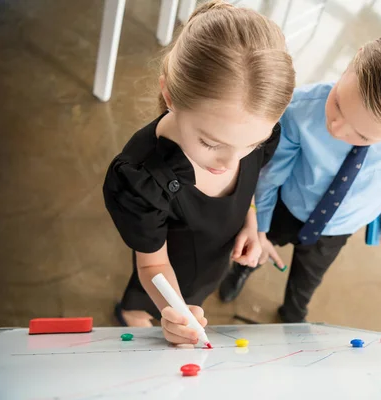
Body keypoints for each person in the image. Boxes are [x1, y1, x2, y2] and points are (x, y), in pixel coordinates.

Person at [219, 32, 381, 323]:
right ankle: (243, 269)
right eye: (339, 104)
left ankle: (292, 315)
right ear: (353, 61)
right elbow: (271, 174)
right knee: (256, 248)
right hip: (287, 206)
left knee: (307, 281)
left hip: (340, 225)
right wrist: (260, 229)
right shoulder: (301, 109)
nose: (337, 128)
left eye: (363, 135)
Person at [103, 0, 295, 343]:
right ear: (170, 95)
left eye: (251, 145)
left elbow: (249, 183)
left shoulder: (252, 133)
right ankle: (129, 312)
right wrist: (174, 311)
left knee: (198, 290)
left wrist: (250, 219)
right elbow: (152, 266)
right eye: (210, 143)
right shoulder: (141, 180)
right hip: (165, 264)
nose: (231, 163)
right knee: (146, 297)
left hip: (214, 255)